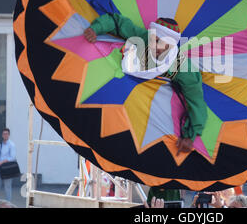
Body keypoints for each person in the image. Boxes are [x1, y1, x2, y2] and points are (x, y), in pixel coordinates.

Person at [84, 14, 208, 154]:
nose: (159, 48)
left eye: (166, 45)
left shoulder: (181, 65)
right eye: (156, 40)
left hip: (148, 112)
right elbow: (117, 22)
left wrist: (190, 135)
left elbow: (196, 99)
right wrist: (95, 28)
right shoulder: (142, 38)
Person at [0, 128, 16, 202]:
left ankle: (8, 203)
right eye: (4, 134)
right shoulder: (1, 144)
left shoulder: (12, 145)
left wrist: (2, 162)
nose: (5, 135)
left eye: (6, 134)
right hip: (0, 169)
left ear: (9, 135)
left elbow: (12, 157)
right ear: (2, 135)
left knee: (7, 187)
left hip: (8, 168)